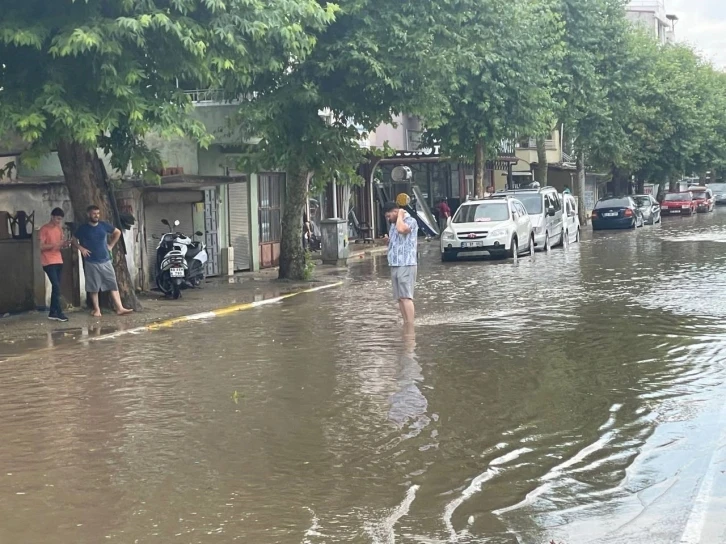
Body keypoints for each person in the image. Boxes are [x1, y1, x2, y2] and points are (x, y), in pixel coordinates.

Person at [73, 205, 133, 318]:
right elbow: (73, 239)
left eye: (98, 213)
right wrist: (81, 248)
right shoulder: (83, 228)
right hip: (91, 261)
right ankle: (97, 310)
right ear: (88, 214)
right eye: (94, 213)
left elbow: (118, 232)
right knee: (93, 287)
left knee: (112, 284)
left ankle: (119, 308)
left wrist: (111, 245)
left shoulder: (103, 225)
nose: (96, 215)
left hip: (105, 260)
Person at [384, 201, 418, 324]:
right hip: (395, 263)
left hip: (406, 263)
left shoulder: (410, 221)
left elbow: (401, 229)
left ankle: (410, 325)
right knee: (400, 298)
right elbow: (398, 239)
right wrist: (388, 241)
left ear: (395, 211)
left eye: (389, 216)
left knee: (406, 297)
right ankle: (406, 323)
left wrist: (400, 216)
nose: (388, 219)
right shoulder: (393, 224)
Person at [39, 208, 71, 321]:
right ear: (52, 216)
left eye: (60, 219)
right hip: (48, 261)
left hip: (58, 260)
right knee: (56, 286)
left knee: (56, 287)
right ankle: (59, 312)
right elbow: (41, 246)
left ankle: (52, 312)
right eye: (57, 219)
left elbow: (60, 244)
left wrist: (64, 244)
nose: (59, 221)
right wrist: (54, 244)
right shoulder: (44, 229)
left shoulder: (59, 228)